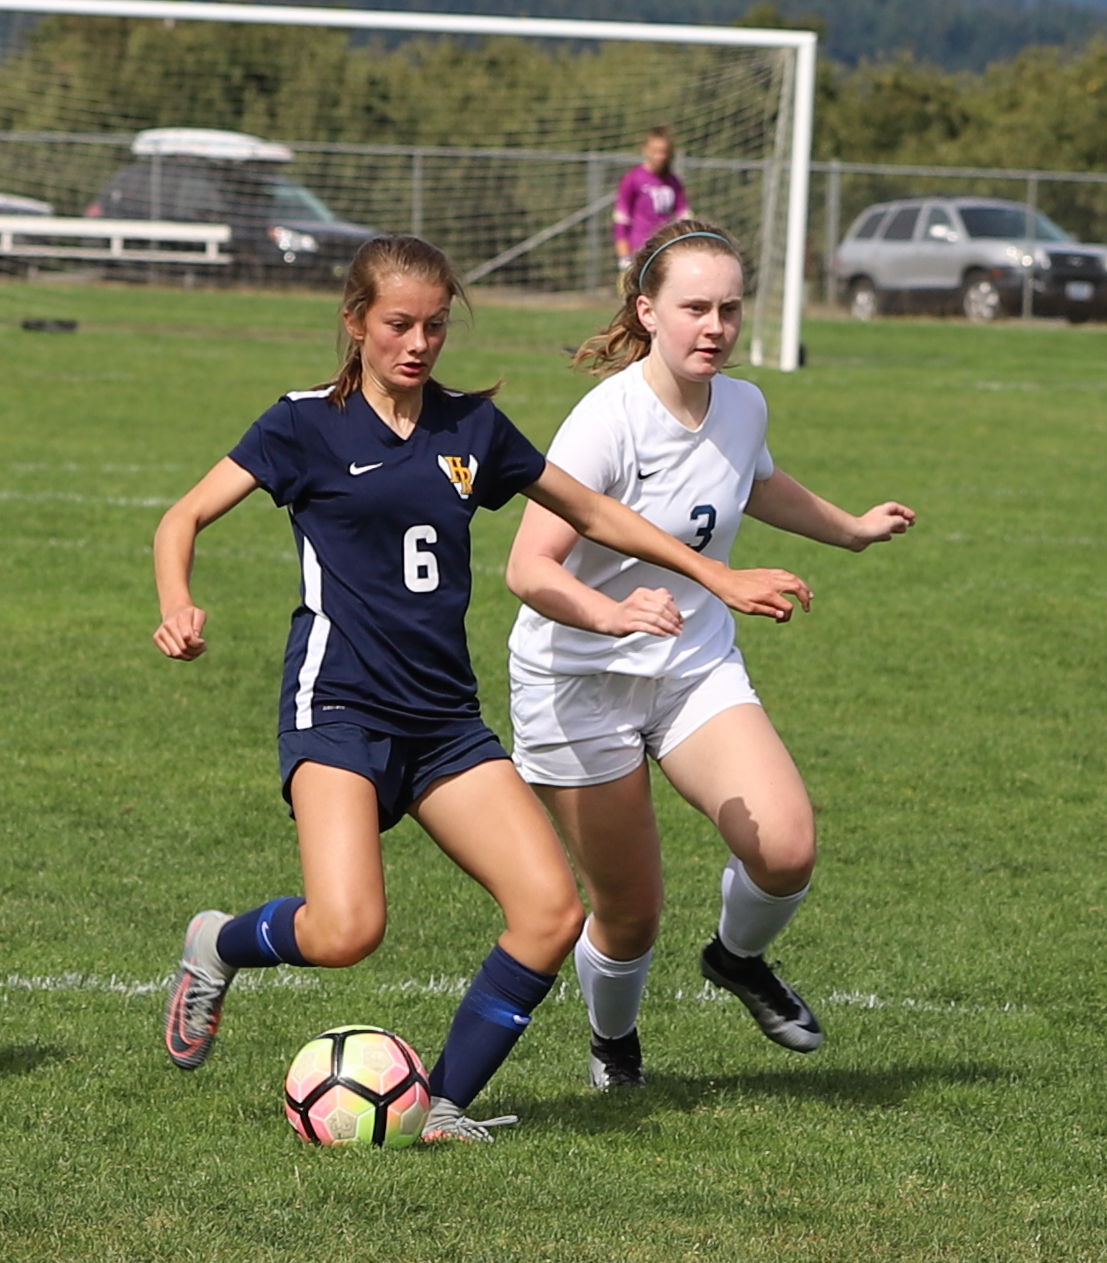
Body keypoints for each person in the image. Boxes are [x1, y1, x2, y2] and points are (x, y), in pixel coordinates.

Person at [152, 233, 813, 1142]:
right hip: (339, 708)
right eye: (398, 325)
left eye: (434, 326)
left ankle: (444, 1105)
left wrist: (714, 575)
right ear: (355, 322)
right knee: (346, 931)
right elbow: (183, 516)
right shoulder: (301, 424)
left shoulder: (470, 427)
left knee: (550, 913)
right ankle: (216, 944)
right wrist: (177, 603)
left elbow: (593, 512)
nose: (418, 344)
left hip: (444, 721)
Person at [506, 219, 916, 1089]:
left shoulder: (742, 403)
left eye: (729, 308)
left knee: (786, 848)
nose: (715, 326)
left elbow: (753, 481)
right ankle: (614, 1045)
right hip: (578, 683)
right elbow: (527, 569)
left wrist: (849, 530)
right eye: (695, 308)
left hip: (692, 668)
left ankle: (735, 958)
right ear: (646, 311)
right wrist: (613, 614)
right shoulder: (605, 422)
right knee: (629, 914)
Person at [612, 126, 692, 280]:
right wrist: (624, 257)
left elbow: (684, 215)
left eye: (664, 151)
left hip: (665, 250)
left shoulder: (673, 181)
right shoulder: (633, 178)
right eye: (655, 151)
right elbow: (621, 220)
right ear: (645, 150)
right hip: (639, 253)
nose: (660, 156)